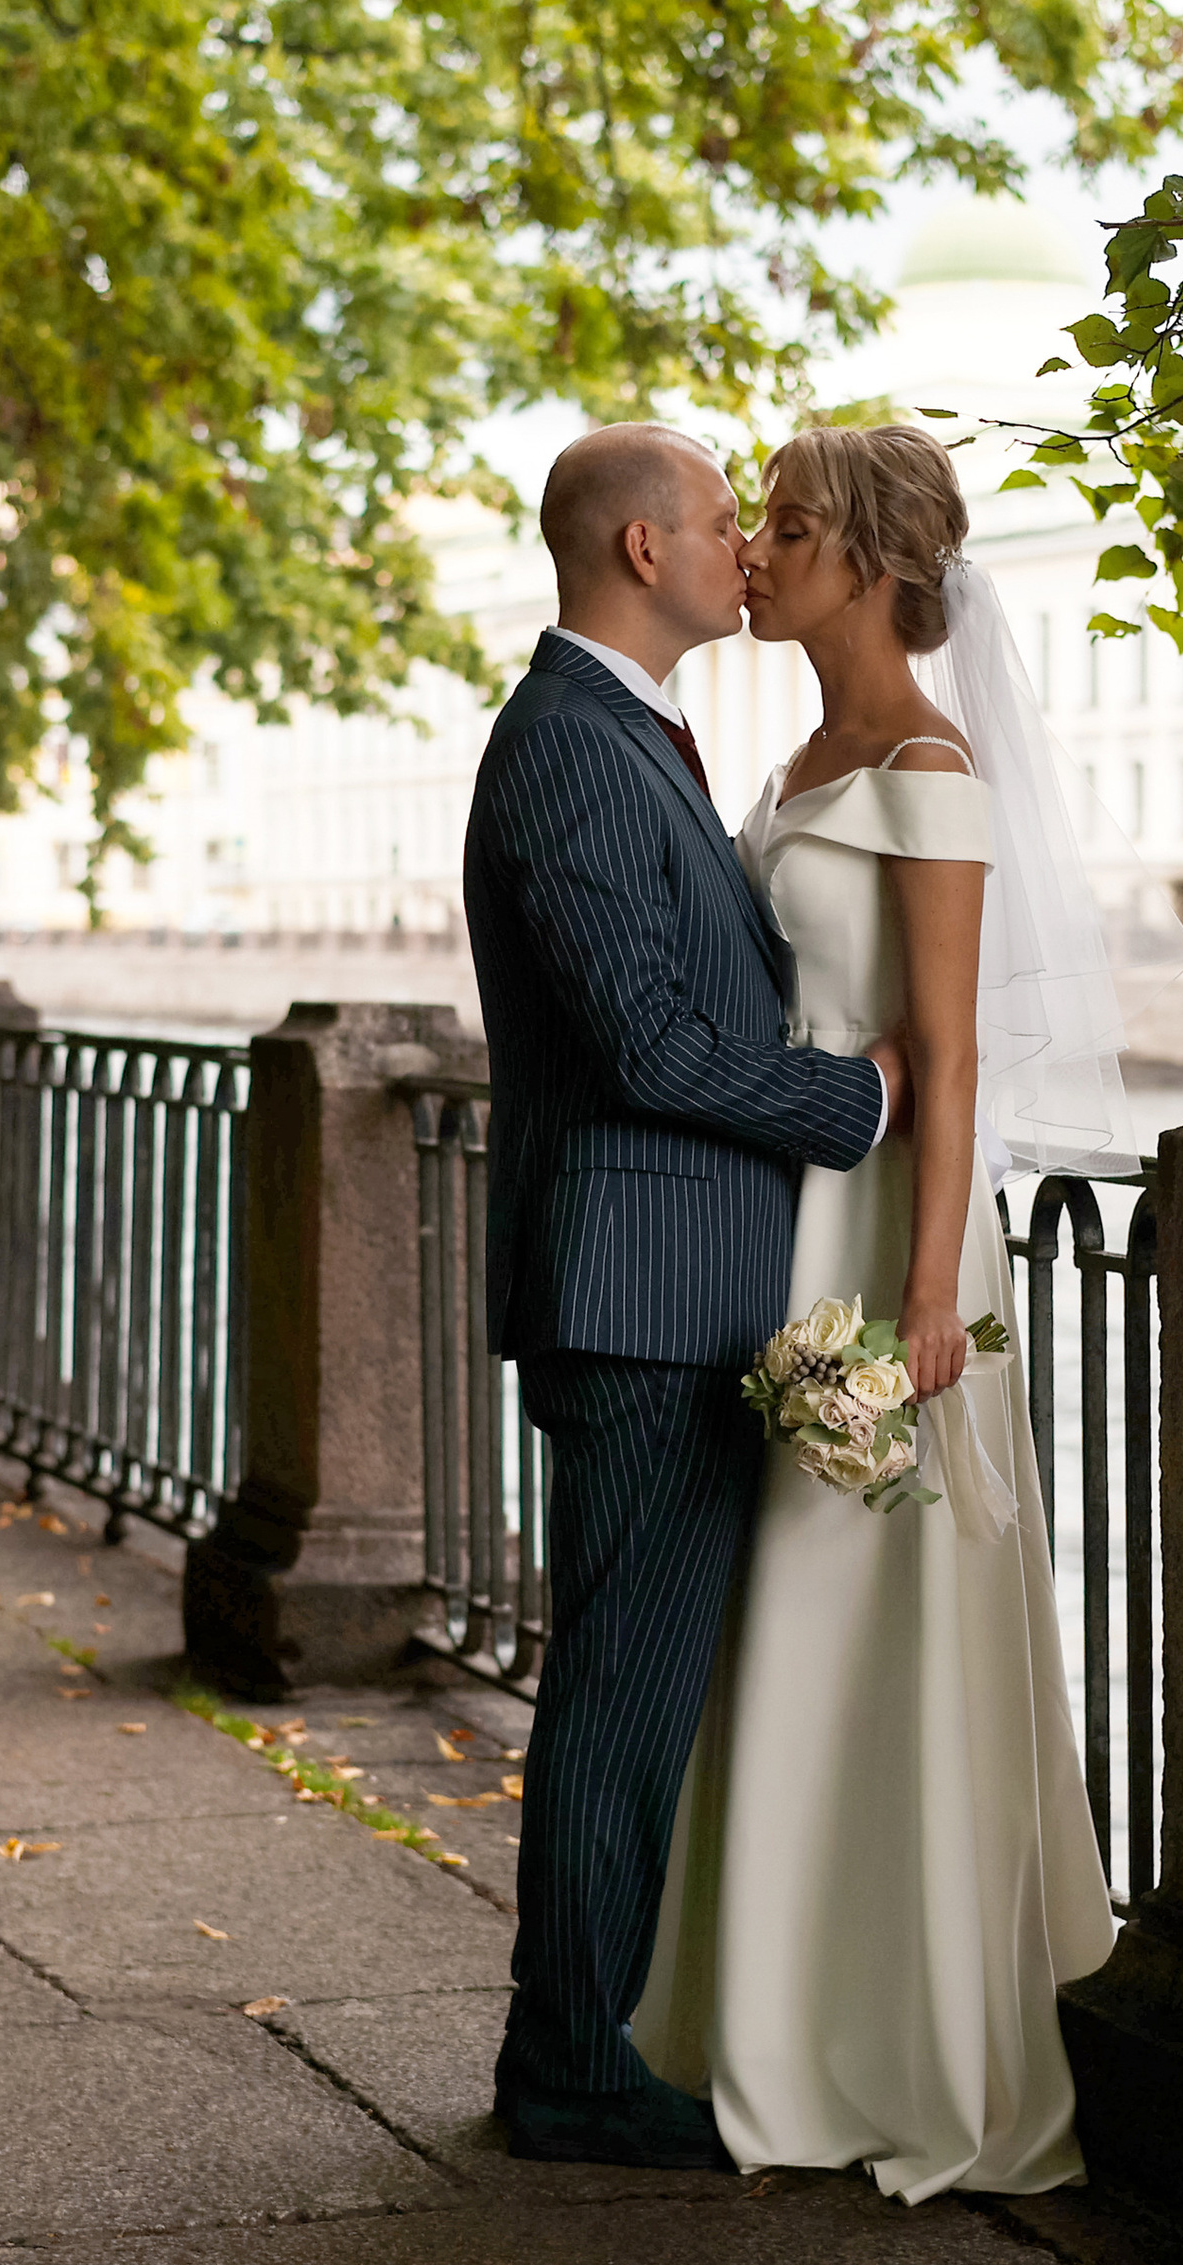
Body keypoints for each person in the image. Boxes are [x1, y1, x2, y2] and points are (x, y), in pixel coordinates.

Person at [629, 424, 1132, 2198]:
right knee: (779, 1616)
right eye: (749, 521)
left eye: (783, 526)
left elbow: (955, 1050)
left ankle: (904, 2050)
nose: (751, 550)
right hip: (784, 1223)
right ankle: (764, 2015)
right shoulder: (799, 752)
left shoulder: (928, 759)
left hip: (883, 1252)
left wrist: (926, 1303)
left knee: (879, 1604)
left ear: (868, 559)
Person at [461, 423, 905, 2170]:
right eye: (725, 523)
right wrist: (860, 1102)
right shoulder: (567, 747)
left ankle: (578, 2044)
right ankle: (565, 2072)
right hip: (641, 1291)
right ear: (643, 551)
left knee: (633, 1687)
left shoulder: (630, 735)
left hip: (678, 1283)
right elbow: (646, 1042)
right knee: (621, 1692)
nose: (747, 545)